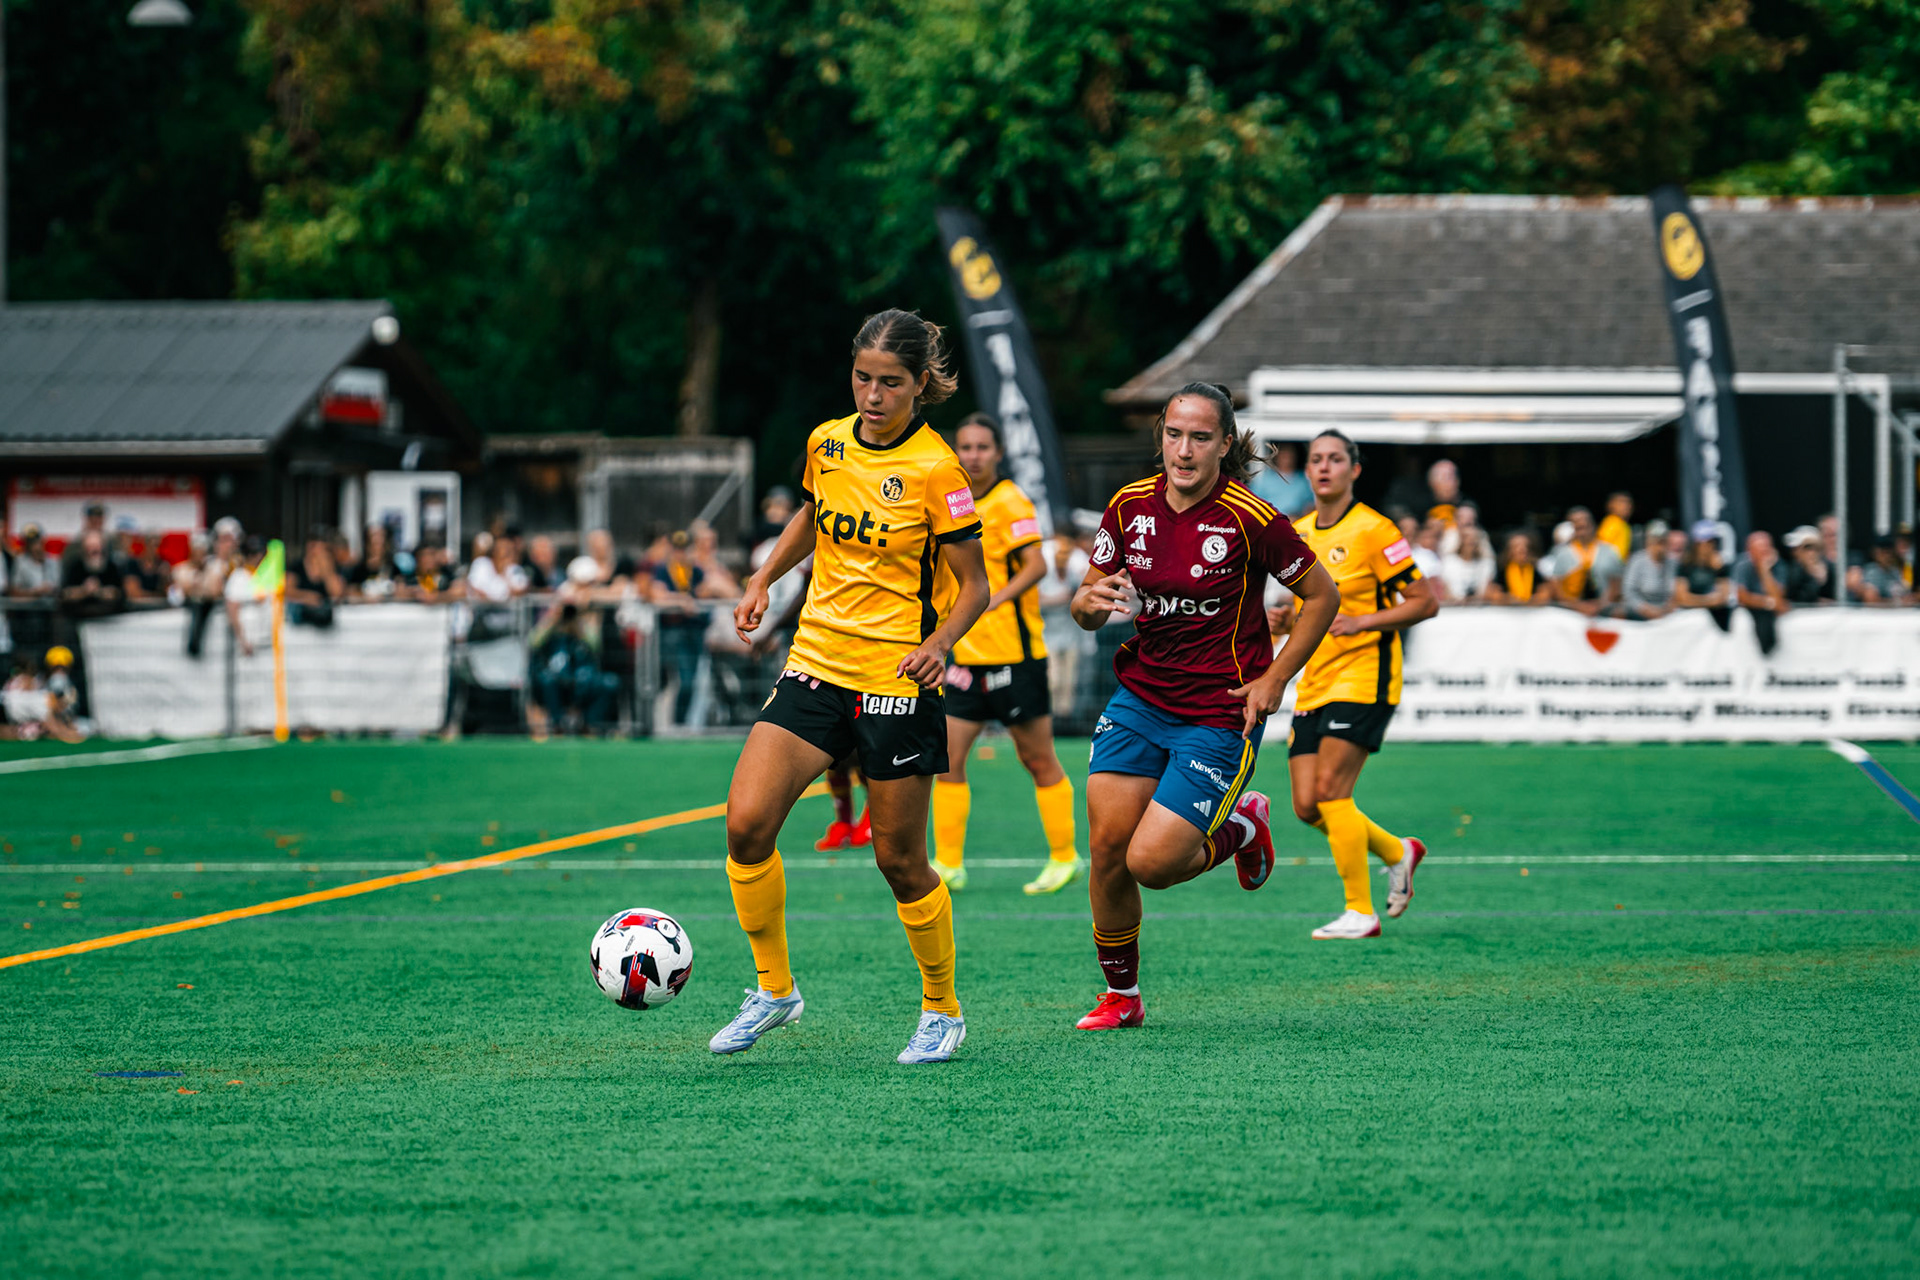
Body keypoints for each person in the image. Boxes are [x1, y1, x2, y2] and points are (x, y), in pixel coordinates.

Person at [710, 308, 990, 1065]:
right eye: (862, 377)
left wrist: (940, 644)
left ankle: (942, 1009)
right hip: (816, 663)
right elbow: (812, 513)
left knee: (898, 859)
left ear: (920, 385)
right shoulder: (826, 442)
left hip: (897, 677)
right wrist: (765, 576)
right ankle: (774, 991)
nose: (872, 393)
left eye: (889, 382)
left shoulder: (937, 468)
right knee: (746, 825)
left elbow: (976, 586)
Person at [1069, 382, 1338, 1030]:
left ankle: (1242, 825)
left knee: (1152, 865)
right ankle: (1122, 998)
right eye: (1173, 434)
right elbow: (1085, 600)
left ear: (1224, 444)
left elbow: (1324, 598)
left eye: (1198, 437)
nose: (1182, 450)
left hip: (1221, 710)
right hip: (1140, 697)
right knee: (1107, 850)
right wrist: (1087, 605)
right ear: (1160, 435)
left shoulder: (1253, 518)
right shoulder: (1128, 507)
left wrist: (1275, 679)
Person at [1281, 428, 1439, 940]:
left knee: (1331, 791)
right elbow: (1310, 609)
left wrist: (1362, 621)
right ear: (1307, 471)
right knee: (1307, 805)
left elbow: (1424, 601)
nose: (1324, 467)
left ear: (1355, 470)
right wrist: (1287, 619)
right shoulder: (1299, 532)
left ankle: (1359, 911)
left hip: (1365, 677)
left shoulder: (1375, 530)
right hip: (1315, 680)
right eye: (1315, 460)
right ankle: (1398, 851)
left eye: (1335, 459)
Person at [929, 413, 1081, 897]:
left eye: (982, 447)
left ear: (997, 453)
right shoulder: (951, 504)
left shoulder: (1010, 500)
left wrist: (996, 596)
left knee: (1038, 759)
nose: (973, 455)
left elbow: (1037, 565)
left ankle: (1064, 857)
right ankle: (949, 865)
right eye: (966, 447)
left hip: (1016, 658)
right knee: (948, 760)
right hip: (965, 660)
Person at [652, 529, 730, 725]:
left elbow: (707, 589)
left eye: (683, 549)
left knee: (692, 681)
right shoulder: (662, 569)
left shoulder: (695, 570)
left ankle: (681, 722)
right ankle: (676, 722)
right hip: (673, 630)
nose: (680, 553)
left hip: (694, 630)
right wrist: (682, 600)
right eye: (677, 548)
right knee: (681, 681)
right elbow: (657, 594)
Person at [1544, 507, 1623, 617]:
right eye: (1576, 522)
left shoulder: (1609, 551)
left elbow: (1617, 583)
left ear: (1593, 524)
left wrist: (1600, 605)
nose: (1581, 523)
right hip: (1572, 614)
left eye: (1585, 520)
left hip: (1604, 612)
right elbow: (1556, 586)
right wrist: (1578, 606)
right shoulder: (1561, 553)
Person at [1733, 530, 1790, 654]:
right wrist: (1768, 603)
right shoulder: (1742, 565)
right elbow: (1742, 597)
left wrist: (1764, 569)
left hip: (1770, 614)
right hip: (1752, 612)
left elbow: (1779, 599)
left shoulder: (1779, 565)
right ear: (1750, 551)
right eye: (1759, 549)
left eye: (1766, 548)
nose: (1764, 552)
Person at [1674, 522, 1733, 628]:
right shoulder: (1685, 565)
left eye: (1712, 542)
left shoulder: (1720, 565)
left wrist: (1718, 570)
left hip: (1715, 621)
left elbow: (1722, 598)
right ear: (1696, 544)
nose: (1709, 546)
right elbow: (1681, 598)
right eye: (1706, 542)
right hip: (1691, 619)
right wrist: (1709, 601)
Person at [1620, 520, 1679, 619]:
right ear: (1648, 541)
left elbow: (1675, 591)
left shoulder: (1673, 562)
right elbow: (1628, 592)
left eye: (1663, 541)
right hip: (1641, 611)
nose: (1660, 546)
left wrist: (1669, 607)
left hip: (1666, 611)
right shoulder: (1637, 560)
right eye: (1656, 541)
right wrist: (1646, 609)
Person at [1247, 441, 1314, 520]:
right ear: (1277, 456)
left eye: (1289, 454)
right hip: (1270, 522)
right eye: (1283, 454)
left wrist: (1300, 519)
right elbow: (1253, 504)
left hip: (1296, 524)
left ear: (1295, 456)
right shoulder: (1264, 479)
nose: (1286, 457)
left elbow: (1310, 507)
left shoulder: (1303, 480)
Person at [1485, 531, 1550, 605]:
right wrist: (1508, 599)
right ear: (1509, 550)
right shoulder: (1501, 570)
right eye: (1517, 546)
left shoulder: (1536, 570)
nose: (1522, 549)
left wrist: (1533, 600)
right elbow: (1491, 593)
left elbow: (1545, 592)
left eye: (1526, 546)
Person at [1438, 522, 1495, 602]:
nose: (1471, 541)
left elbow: (1488, 591)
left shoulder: (1487, 564)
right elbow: (1446, 591)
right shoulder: (1448, 562)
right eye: (1467, 537)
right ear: (1460, 539)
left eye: (1475, 538)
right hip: (1453, 609)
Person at [1781, 526, 1835, 607]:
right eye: (1795, 548)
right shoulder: (1792, 571)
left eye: (1807, 547)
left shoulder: (1831, 569)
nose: (1797, 552)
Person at [1856, 535, 1913, 606]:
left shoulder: (1895, 571)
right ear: (1876, 553)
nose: (1887, 556)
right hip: (1875, 615)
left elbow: (1904, 596)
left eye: (1889, 552)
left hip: (1897, 614)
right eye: (1884, 552)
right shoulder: (1871, 572)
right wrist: (1897, 603)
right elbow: (1871, 600)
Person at [1598, 492, 1634, 562]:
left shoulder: (1624, 524)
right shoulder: (1611, 522)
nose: (1626, 506)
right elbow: (1602, 547)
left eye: (1629, 503)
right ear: (1611, 505)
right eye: (1621, 502)